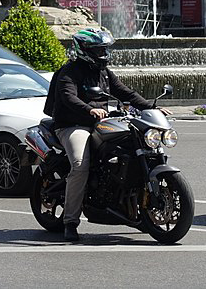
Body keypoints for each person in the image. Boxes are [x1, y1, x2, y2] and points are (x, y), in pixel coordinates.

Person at [43, 28, 170, 242]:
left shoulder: (104, 73)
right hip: (73, 125)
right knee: (80, 165)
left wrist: (151, 108)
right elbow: (68, 97)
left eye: (104, 49)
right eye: (98, 50)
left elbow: (125, 92)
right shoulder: (69, 72)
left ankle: (135, 208)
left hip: (100, 122)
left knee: (132, 145)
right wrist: (89, 109)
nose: (103, 53)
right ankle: (70, 221)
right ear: (84, 50)